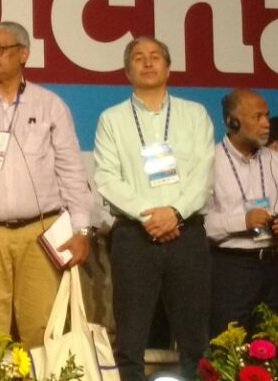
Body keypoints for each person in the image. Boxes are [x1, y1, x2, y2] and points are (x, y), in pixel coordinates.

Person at [0, 21, 93, 348]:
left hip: (40, 231)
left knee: (41, 329)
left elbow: (71, 170)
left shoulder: (49, 105)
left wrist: (82, 230)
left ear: (24, 54)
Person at [92, 36, 214, 381]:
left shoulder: (194, 114)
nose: (147, 62)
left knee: (194, 340)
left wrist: (174, 213)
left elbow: (203, 175)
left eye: (155, 56)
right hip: (134, 236)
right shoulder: (112, 119)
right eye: (139, 58)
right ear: (127, 72)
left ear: (168, 67)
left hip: (186, 234)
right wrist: (152, 216)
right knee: (130, 340)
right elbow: (107, 178)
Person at [204, 89, 278, 336]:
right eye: (257, 117)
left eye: (267, 116)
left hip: (271, 266)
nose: (266, 123)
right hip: (229, 268)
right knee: (228, 348)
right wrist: (243, 221)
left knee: (275, 344)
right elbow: (200, 224)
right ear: (232, 122)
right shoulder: (209, 162)